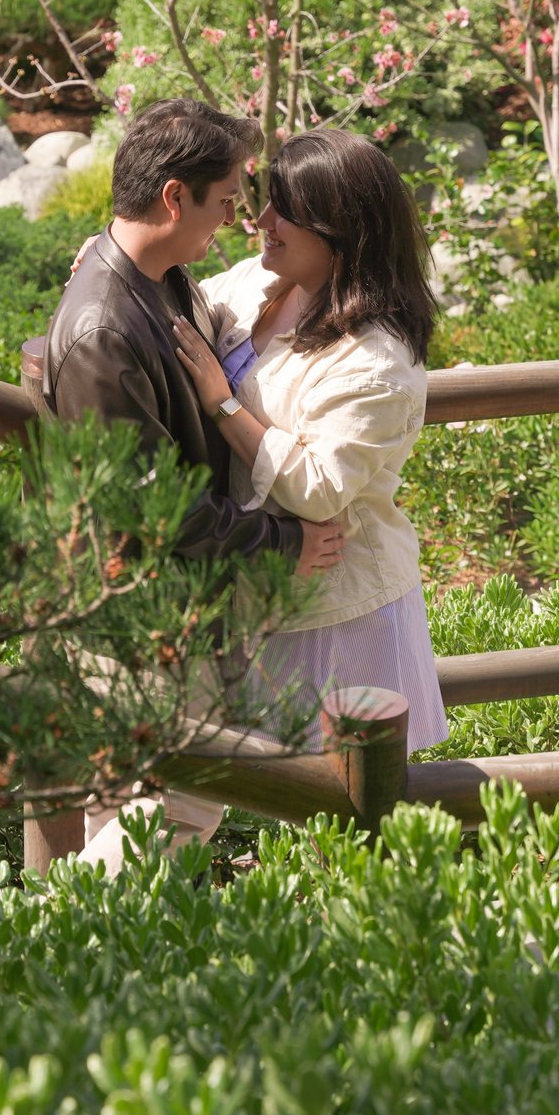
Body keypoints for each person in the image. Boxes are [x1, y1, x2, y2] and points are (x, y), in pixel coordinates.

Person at [40, 98, 345, 865]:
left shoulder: (160, 277)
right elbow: (152, 513)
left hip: (159, 613)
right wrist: (286, 540)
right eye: (224, 201)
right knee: (177, 804)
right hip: (144, 623)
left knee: (140, 805)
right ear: (174, 197)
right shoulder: (103, 329)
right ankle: (58, 949)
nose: (236, 220)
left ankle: (75, 964)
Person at [170, 126, 448, 761]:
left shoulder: (376, 360)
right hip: (270, 588)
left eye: (283, 210)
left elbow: (319, 490)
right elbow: (175, 306)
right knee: (277, 810)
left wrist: (222, 402)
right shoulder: (264, 284)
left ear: (339, 228)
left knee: (350, 814)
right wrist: (113, 265)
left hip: (340, 612)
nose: (261, 219)